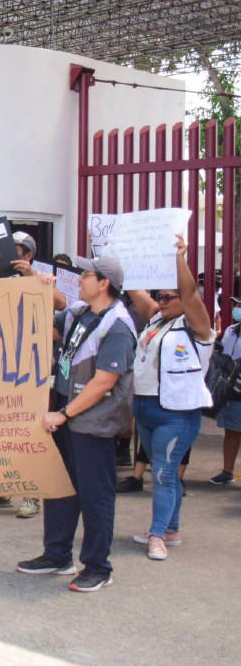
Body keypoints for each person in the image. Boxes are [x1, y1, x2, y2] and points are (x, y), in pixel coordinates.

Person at [16, 255, 135, 593]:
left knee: (95, 496)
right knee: (59, 487)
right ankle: (57, 555)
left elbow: (104, 381)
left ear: (104, 284)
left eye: (85, 275)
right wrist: (39, 289)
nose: (79, 279)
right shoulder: (80, 314)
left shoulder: (118, 325)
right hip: (65, 416)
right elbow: (44, 323)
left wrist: (64, 414)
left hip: (91, 423)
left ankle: (98, 567)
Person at [124, 235, 214, 561]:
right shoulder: (156, 319)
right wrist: (110, 249)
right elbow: (134, 289)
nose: (160, 301)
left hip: (176, 412)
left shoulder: (197, 326)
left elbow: (189, 292)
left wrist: (180, 258)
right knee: (165, 470)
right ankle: (171, 527)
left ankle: (158, 535)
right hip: (146, 407)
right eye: (158, 297)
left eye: (167, 297)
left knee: (162, 473)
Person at [0, 231, 44, 519]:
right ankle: (0, 490)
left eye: (15, 250)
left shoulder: (39, 279)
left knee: (28, 433)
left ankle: (33, 494)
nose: (8, 256)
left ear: (28, 255)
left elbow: (56, 306)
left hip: (27, 369)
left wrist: (31, 277)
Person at [209, 297, 241, 486]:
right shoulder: (230, 331)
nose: (237, 309)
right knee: (231, 431)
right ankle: (227, 471)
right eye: (236, 305)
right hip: (232, 390)